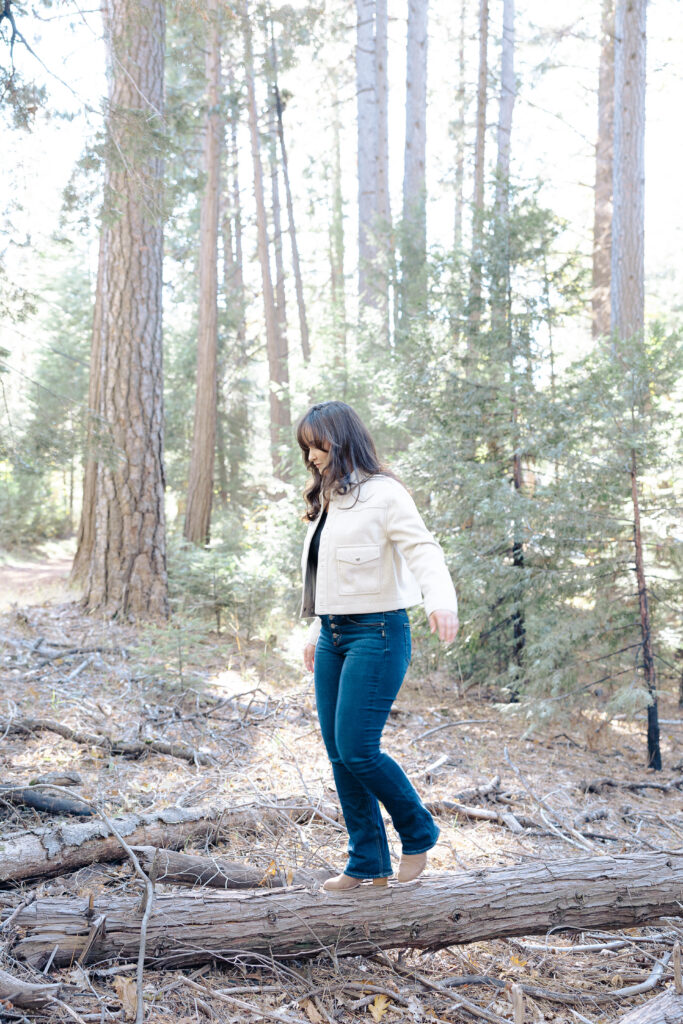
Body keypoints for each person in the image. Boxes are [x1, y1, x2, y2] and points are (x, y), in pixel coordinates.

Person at [297, 400, 458, 892]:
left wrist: (440, 600)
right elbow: (326, 573)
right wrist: (314, 628)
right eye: (304, 448)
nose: (310, 457)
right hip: (333, 635)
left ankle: (418, 830)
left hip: (379, 633)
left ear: (340, 439)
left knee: (359, 748)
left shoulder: (384, 494)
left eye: (316, 445)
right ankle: (366, 861)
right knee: (338, 753)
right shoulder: (329, 497)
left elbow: (423, 549)